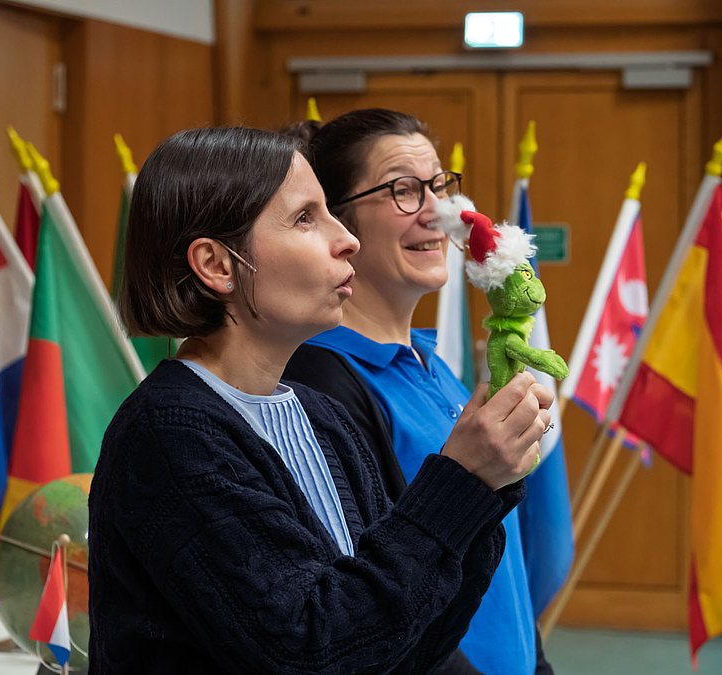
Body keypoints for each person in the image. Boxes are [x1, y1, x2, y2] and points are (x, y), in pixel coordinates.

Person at [88, 126, 553, 674]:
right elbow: (309, 648)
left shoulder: (320, 416)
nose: (347, 239)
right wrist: (462, 483)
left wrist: (485, 488)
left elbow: (405, 644)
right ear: (217, 265)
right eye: (306, 217)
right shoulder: (169, 432)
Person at [282, 109, 554, 675]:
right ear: (338, 220)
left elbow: (499, 558)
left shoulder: (434, 364)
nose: (438, 212)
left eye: (439, 186)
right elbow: (378, 592)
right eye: (403, 190)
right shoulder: (321, 382)